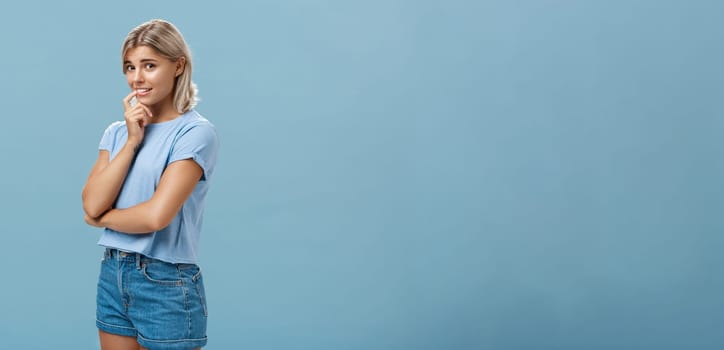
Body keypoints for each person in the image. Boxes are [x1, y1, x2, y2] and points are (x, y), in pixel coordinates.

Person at [81, 19, 219, 350]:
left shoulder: (195, 133)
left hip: (165, 281)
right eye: (130, 66)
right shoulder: (117, 132)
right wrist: (131, 141)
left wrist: (101, 219)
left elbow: (156, 217)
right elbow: (91, 202)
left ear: (178, 66)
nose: (137, 77)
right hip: (113, 273)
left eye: (149, 65)